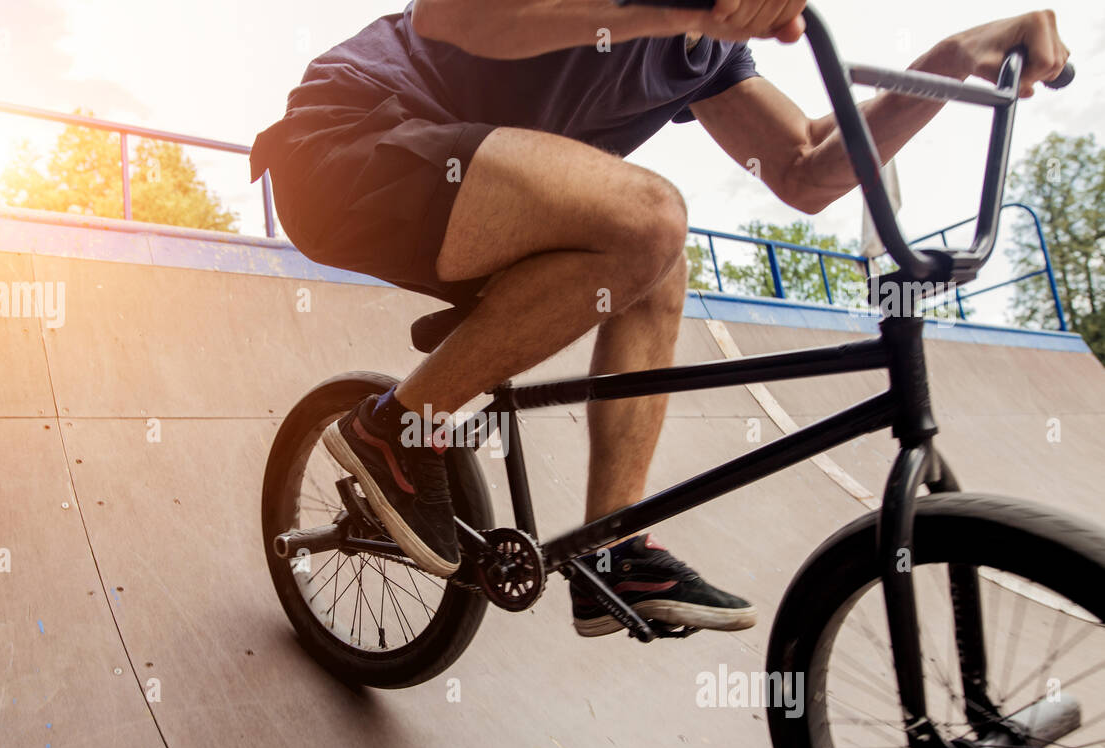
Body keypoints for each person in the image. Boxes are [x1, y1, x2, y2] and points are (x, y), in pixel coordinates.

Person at [250, 0, 1070, 636]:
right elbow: (452, 16)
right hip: (347, 143)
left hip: (468, 201)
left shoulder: (708, 52)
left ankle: (615, 545)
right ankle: (396, 427)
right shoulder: (683, 15)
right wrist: (678, 7)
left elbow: (806, 169)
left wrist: (953, 60)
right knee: (650, 215)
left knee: (659, 259)